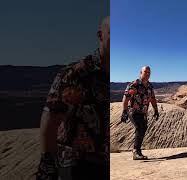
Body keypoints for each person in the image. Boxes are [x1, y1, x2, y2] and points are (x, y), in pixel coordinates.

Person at [36, 16, 109, 180]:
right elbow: (51, 119)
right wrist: (47, 163)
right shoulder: (76, 74)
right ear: (100, 36)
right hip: (79, 165)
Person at [121, 66, 159, 160]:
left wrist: (156, 110)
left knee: (143, 127)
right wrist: (124, 111)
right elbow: (125, 99)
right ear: (140, 72)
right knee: (140, 127)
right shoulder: (134, 84)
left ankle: (137, 151)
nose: (147, 74)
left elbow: (153, 99)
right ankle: (136, 152)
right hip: (133, 111)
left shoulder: (150, 86)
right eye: (145, 71)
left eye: (149, 72)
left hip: (143, 112)